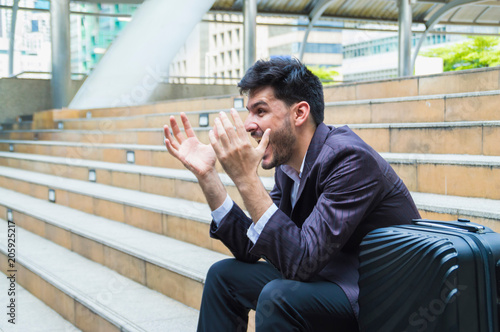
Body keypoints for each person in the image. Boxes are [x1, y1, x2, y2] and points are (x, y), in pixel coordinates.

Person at [164, 57, 421, 332]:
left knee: (279, 297)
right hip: (325, 279)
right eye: (249, 112)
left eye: (260, 111)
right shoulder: (288, 168)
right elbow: (251, 247)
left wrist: (245, 178)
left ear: (299, 113)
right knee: (224, 276)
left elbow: (301, 262)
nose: (249, 124)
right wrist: (208, 176)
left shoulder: (349, 159)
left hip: (373, 297)